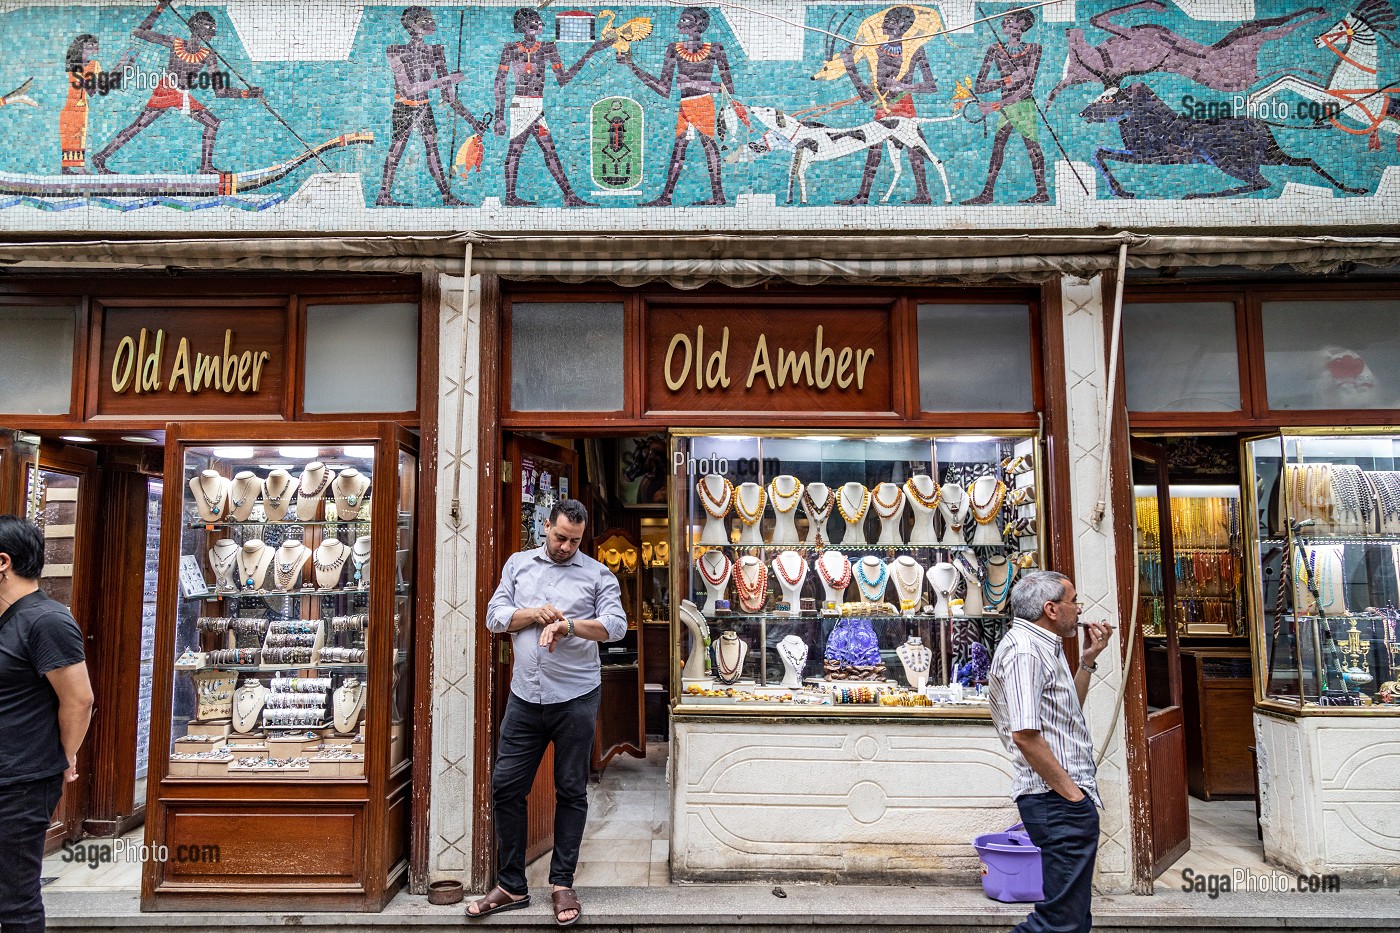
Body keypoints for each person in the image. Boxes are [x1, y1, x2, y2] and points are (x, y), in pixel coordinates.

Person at [469, 499, 625, 927]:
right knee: (505, 787)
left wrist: (569, 625)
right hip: (524, 698)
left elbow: (616, 626)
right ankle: (512, 885)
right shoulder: (518, 565)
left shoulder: (597, 573)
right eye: (559, 537)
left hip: (576, 698)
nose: (564, 547)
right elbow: (494, 617)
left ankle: (561, 883)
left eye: (574, 540)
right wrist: (531, 615)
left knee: (571, 790)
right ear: (545, 527)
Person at [989, 570, 1113, 933]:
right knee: (1059, 923)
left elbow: (1065, 710)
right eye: (1074, 601)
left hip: (1060, 799)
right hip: (1056, 800)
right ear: (1051, 608)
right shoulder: (1026, 651)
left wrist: (1088, 660)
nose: (1080, 609)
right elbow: (1026, 735)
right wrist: (1073, 795)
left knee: (1070, 919)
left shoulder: (1044, 645)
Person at [0, 515, 94, 933]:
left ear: (3, 562)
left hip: (19, 784)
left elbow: (79, 699)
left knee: (13, 902)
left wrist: (64, 756)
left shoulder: (47, 620)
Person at [90, 2, 264, 175]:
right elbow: (140, 32)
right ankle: (100, 157)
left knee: (212, 123)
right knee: (138, 126)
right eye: (207, 29)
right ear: (196, 29)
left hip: (182, 95)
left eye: (211, 31)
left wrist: (247, 93)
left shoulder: (208, 56)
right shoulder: (176, 43)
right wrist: (160, 8)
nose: (210, 35)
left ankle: (206, 168)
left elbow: (220, 91)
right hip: (166, 90)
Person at [618, 7, 737, 207]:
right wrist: (632, 65)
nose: (679, 25)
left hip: (703, 103)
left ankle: (716, 196)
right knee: (680, 150)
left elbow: (729, 87)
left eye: (685, 20)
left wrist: (697, 84)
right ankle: (668, 197)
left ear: (698, 25)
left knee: (707, 146)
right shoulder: (674, 49)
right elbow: (664, 88)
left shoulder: (715, 49)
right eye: (680, 20)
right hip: (685, 105)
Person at [493, 8, 610, 207]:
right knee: (523, 151)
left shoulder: (548, 48)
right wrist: (499, 117)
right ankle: (516, 197)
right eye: (534, 23)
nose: (540, 26)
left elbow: (563, 78)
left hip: (536, 106)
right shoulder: (511, 49)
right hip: (521, 106)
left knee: (543, 151)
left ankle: (566, 196)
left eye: (540, 23)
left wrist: (590, 52)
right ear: (523, 27)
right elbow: (500, 83)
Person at [377, 6, 490, 207]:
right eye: (425, 20)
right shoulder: (395, 51)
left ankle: (446, 196)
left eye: (431, 20)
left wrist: (473, 122)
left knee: (433, 151)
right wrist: (446, 79)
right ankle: (384, 194)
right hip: (404, 106)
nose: (432, 23)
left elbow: (448, 96)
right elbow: (408, 89)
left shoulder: (436, 52)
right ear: (412, 25)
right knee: (397, 149)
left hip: (424, 107)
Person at [836, 5, 939, 205]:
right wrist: (850, 68)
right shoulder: (876, 50)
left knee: (914, 149)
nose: (884, 22)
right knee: (875, 148)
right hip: (883, 105)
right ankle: (863, 196)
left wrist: (903, 85)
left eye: (890, 19)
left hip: (903, 103)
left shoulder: (914, 50)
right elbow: (868, 91)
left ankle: (924, 194)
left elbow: (930, 86)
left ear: (901, 23)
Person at [962, 10, 1048, 205]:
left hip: (1022, 105)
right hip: (1006, 105)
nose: (1015, 26)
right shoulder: (995, 49)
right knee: (998, 148)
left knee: (1032, 146)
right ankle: (987, 193)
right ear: (1004, 26)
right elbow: (980, 86)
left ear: (1025, 26)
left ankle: (1042, 191)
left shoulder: (1035, 48)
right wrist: (1007, 80)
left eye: (1020, 23)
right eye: (1010, 22)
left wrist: (995, 105)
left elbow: (1027, 88)